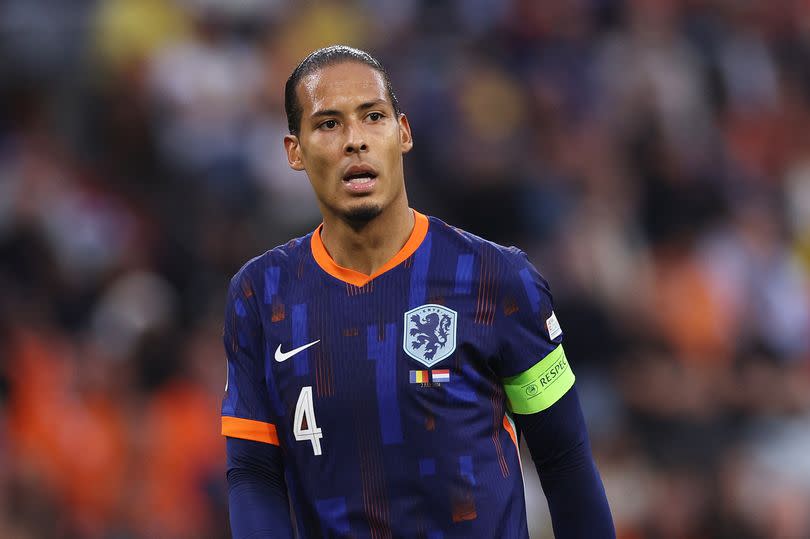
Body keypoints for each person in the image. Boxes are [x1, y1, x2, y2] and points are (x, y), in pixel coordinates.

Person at [222, 45, 615, 539]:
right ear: (294, 151)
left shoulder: (497, 280)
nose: (355, 142)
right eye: (328, 124)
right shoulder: (261, 296)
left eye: (373, 117)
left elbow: (564, 459)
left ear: (402, 133)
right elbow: (254, 473)